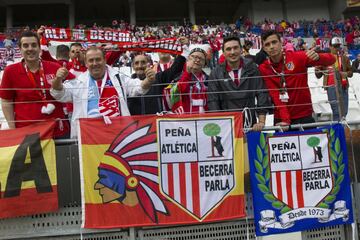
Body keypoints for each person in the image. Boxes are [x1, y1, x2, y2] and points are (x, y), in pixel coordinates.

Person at [50, 46, 156, 138]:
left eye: (98, 59)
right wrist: (58, 79)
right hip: (89, 136)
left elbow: (137, 87)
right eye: (91, 60)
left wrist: (148, 80)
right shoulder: (79, 81)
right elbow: (59, 94)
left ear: (104, 60)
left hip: (117, 135)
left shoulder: (118, 77)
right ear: (86, 63)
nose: (95, 63)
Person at [0, 30, 74, 138]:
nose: (30, 48)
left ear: (39, 48)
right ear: (20, 49)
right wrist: (12, 129)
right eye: (26, 46)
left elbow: (78, 85)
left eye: (34, 45)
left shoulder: (55, 67)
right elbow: (6, 101)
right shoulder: (10, 71)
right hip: (26, 132)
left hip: (57, 130)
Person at [258, 30, 335, 129]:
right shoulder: (264, 68)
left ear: (281, 43)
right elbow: (275, 95)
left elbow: (332, 59)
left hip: (304, 115)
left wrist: (318, 57)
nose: (271, 46)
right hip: (281, 118)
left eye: (274, 42)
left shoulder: (297, 57)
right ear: (264, 48)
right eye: (267, 44)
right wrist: (286, 120)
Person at [207, 36, 271, 131]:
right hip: (227, 126)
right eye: (228, 49)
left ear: (241, 50)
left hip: (250, 124)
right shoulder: (216, 73)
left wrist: (261, 121)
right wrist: (219, 124)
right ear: (223, 53)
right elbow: (213, 101)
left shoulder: (252, 68)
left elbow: (261, 93)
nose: (232, 52)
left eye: (235, 48)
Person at [127, 37, 189, 115]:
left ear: (149, 64)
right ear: (132, 66)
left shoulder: (158, 78)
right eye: (136, 63)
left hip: (155, 122)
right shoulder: (126, 84)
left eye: (143, 62)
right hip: (135, 125)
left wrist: (184, 48)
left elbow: (175, 69)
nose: (140, 66)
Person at [315, 37, 353, 121]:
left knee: (344, 112)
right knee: (336, 111)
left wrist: (345, 74)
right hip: (331, 87)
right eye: (335, 46)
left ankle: (339, 131)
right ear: (330, 46)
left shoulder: (345, 58)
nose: (337, 48)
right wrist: (318, 66)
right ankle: (338, 131)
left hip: (343, 86)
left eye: (338, 46)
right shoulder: (324, 58)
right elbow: (318, 75)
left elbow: (351, 72)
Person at [171, 47, 209, 114]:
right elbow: (179, 91)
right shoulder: (177, 77)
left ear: (204, 64)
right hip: (184, 119)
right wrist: (187, 74)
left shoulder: (208, 79)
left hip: (205, 119)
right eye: (194, 57)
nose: (197, 60)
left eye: (201, 59)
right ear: (187, 59)